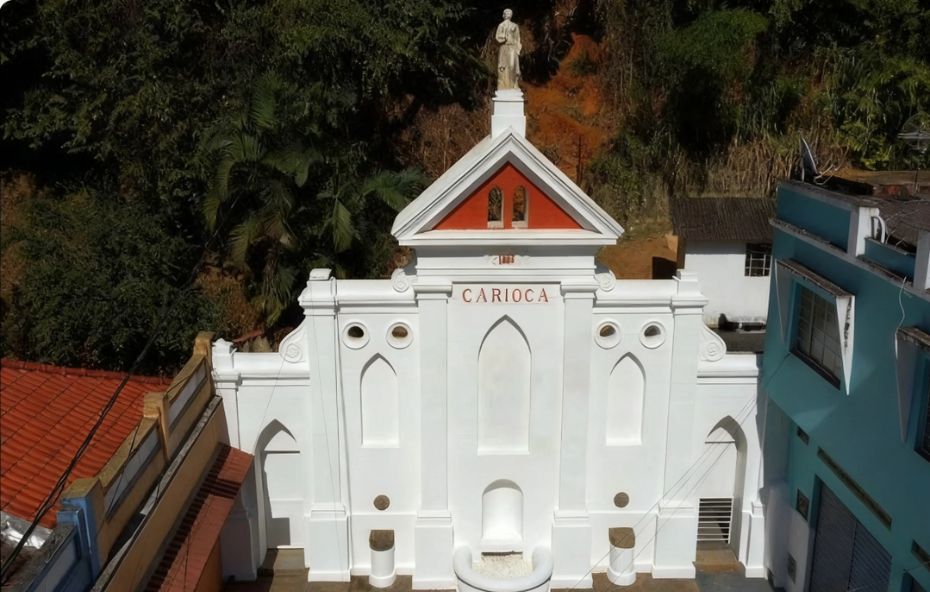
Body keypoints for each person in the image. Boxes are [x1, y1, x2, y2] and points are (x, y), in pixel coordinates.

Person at [495, 9, 521, 90]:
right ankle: (502, 85)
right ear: (504, 15)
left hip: (512, 48)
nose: (508, 14)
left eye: (510, 12)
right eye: (506, 12)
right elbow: (497, 37)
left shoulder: (515, 26)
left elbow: (518, 38)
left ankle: (514, 84)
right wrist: (504, 37)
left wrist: (518, 49)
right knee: (502, 67)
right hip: (504, 47)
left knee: (513, 66)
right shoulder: (501, 25)